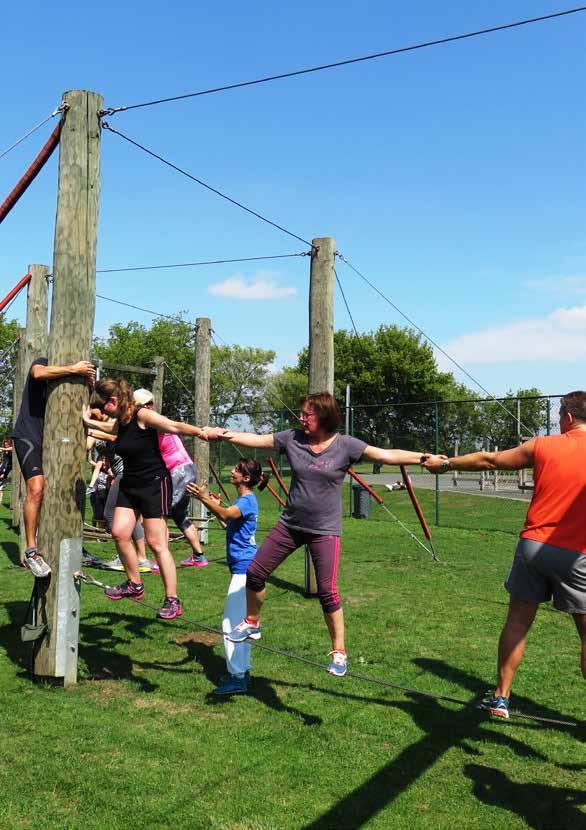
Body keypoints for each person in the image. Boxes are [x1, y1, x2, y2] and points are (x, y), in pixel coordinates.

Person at [218, 391, 426, 677]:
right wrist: (223, 434)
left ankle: (339, 651)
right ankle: (252, 621)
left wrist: (423, 458)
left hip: (324, 530)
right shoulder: (292, 438)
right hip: (290, 525)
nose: (301, 418)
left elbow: (385, 455)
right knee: (255, 573)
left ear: (324, 417)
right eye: (301, 413)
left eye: (307, 414)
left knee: (327, 591)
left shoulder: (346, 446)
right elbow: (256, 439)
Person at [422, 390, 586, 719]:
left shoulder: (543, 445)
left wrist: (446, 463)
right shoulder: (546, 444)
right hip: (576, 555)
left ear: (567, 417)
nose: (557, 422)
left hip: (534, 548)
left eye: (559, 417)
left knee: (517, 623)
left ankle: (500, 698)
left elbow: (490, 460)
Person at [83, 378, 216, 620]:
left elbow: (173, 426)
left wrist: (201, 432)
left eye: (103, 409)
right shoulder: (121, 420)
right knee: (119, 532)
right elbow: (112, 431)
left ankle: (172, 599)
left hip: (154, 484)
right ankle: (135, 584)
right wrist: (87, 421)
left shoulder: (143, 415)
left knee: (157, 544)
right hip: (130, 484)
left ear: (113, 401)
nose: (103, 413)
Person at [13, 357, 95, 577]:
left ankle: (65, 541)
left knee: (64, 487)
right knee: (37, 488)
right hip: (28, 435)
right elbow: (38, 374)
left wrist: (89, 384)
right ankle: (31, 550)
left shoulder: (77, 375)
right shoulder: (45, 361)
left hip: (56, 438)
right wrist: (73, 369)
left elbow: (91, 409)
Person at [188, 458, 261, 695]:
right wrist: (213, 504)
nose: (232, 471)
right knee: (242, 625)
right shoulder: (244, 501)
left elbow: (228, 514)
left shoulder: (247, 500)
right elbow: (226, 521)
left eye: (237, 470)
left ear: (246, 478)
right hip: (243, 569)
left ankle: (237, 678)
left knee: (231, 625)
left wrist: (204, 498)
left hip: (244, 571)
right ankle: (243, 672)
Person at [133, 388, 208, 569]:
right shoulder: (158, 421)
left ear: (147, 406)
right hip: (187, 468)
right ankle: (199, 556)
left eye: (139, 407)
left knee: (160, 513)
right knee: (179, 515)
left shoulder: (153, 422)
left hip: (177, 471)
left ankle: (161, 559)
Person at [0, 438, 13, 504]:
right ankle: (3, 482)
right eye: (5, 445)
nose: (6, 445)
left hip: (10, 465)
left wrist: (3, 449)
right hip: (5, 465)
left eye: (7, 444)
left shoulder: (11, 448)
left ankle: (3, 482)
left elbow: (11, 448)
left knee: (4, 474)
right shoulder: (5, 451)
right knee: (2, 474)